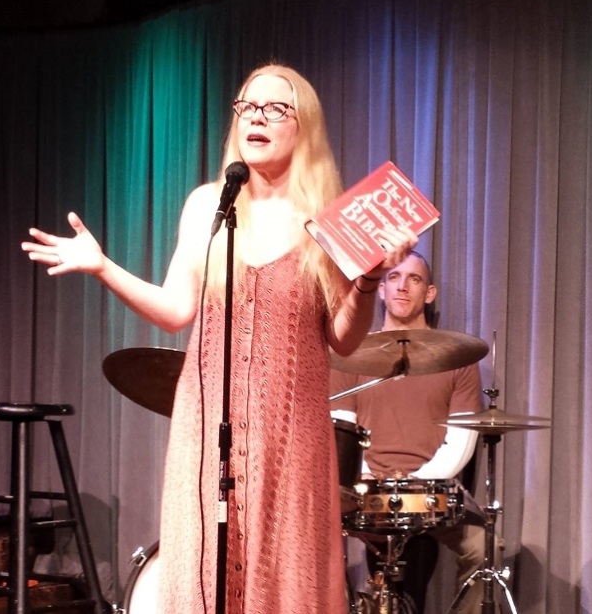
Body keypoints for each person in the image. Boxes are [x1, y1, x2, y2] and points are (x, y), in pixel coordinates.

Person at [22, 63, 419, 614]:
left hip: (291, 432)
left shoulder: (326, 220)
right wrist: (103, 267)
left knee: (287, 572)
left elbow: (344, 340)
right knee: (206, 562)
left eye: (275, 108)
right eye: (247, 106)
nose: (256, 117)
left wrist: (370, 279)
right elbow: (175, 310)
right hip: (207, 427)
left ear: (302, 125)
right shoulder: (209, 202)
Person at [330, 251, 486, 614]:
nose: (402, 286)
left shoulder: (457, 356)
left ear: (429, 293)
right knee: (304, 539)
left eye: (414, 279)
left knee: (485, 547)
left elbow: (462, 435)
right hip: (362, 490)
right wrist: (367, 479)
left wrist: (414, 486)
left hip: (432, 492)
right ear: (380, 289)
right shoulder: (349, 353)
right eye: (393, 277)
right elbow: (341, 428)